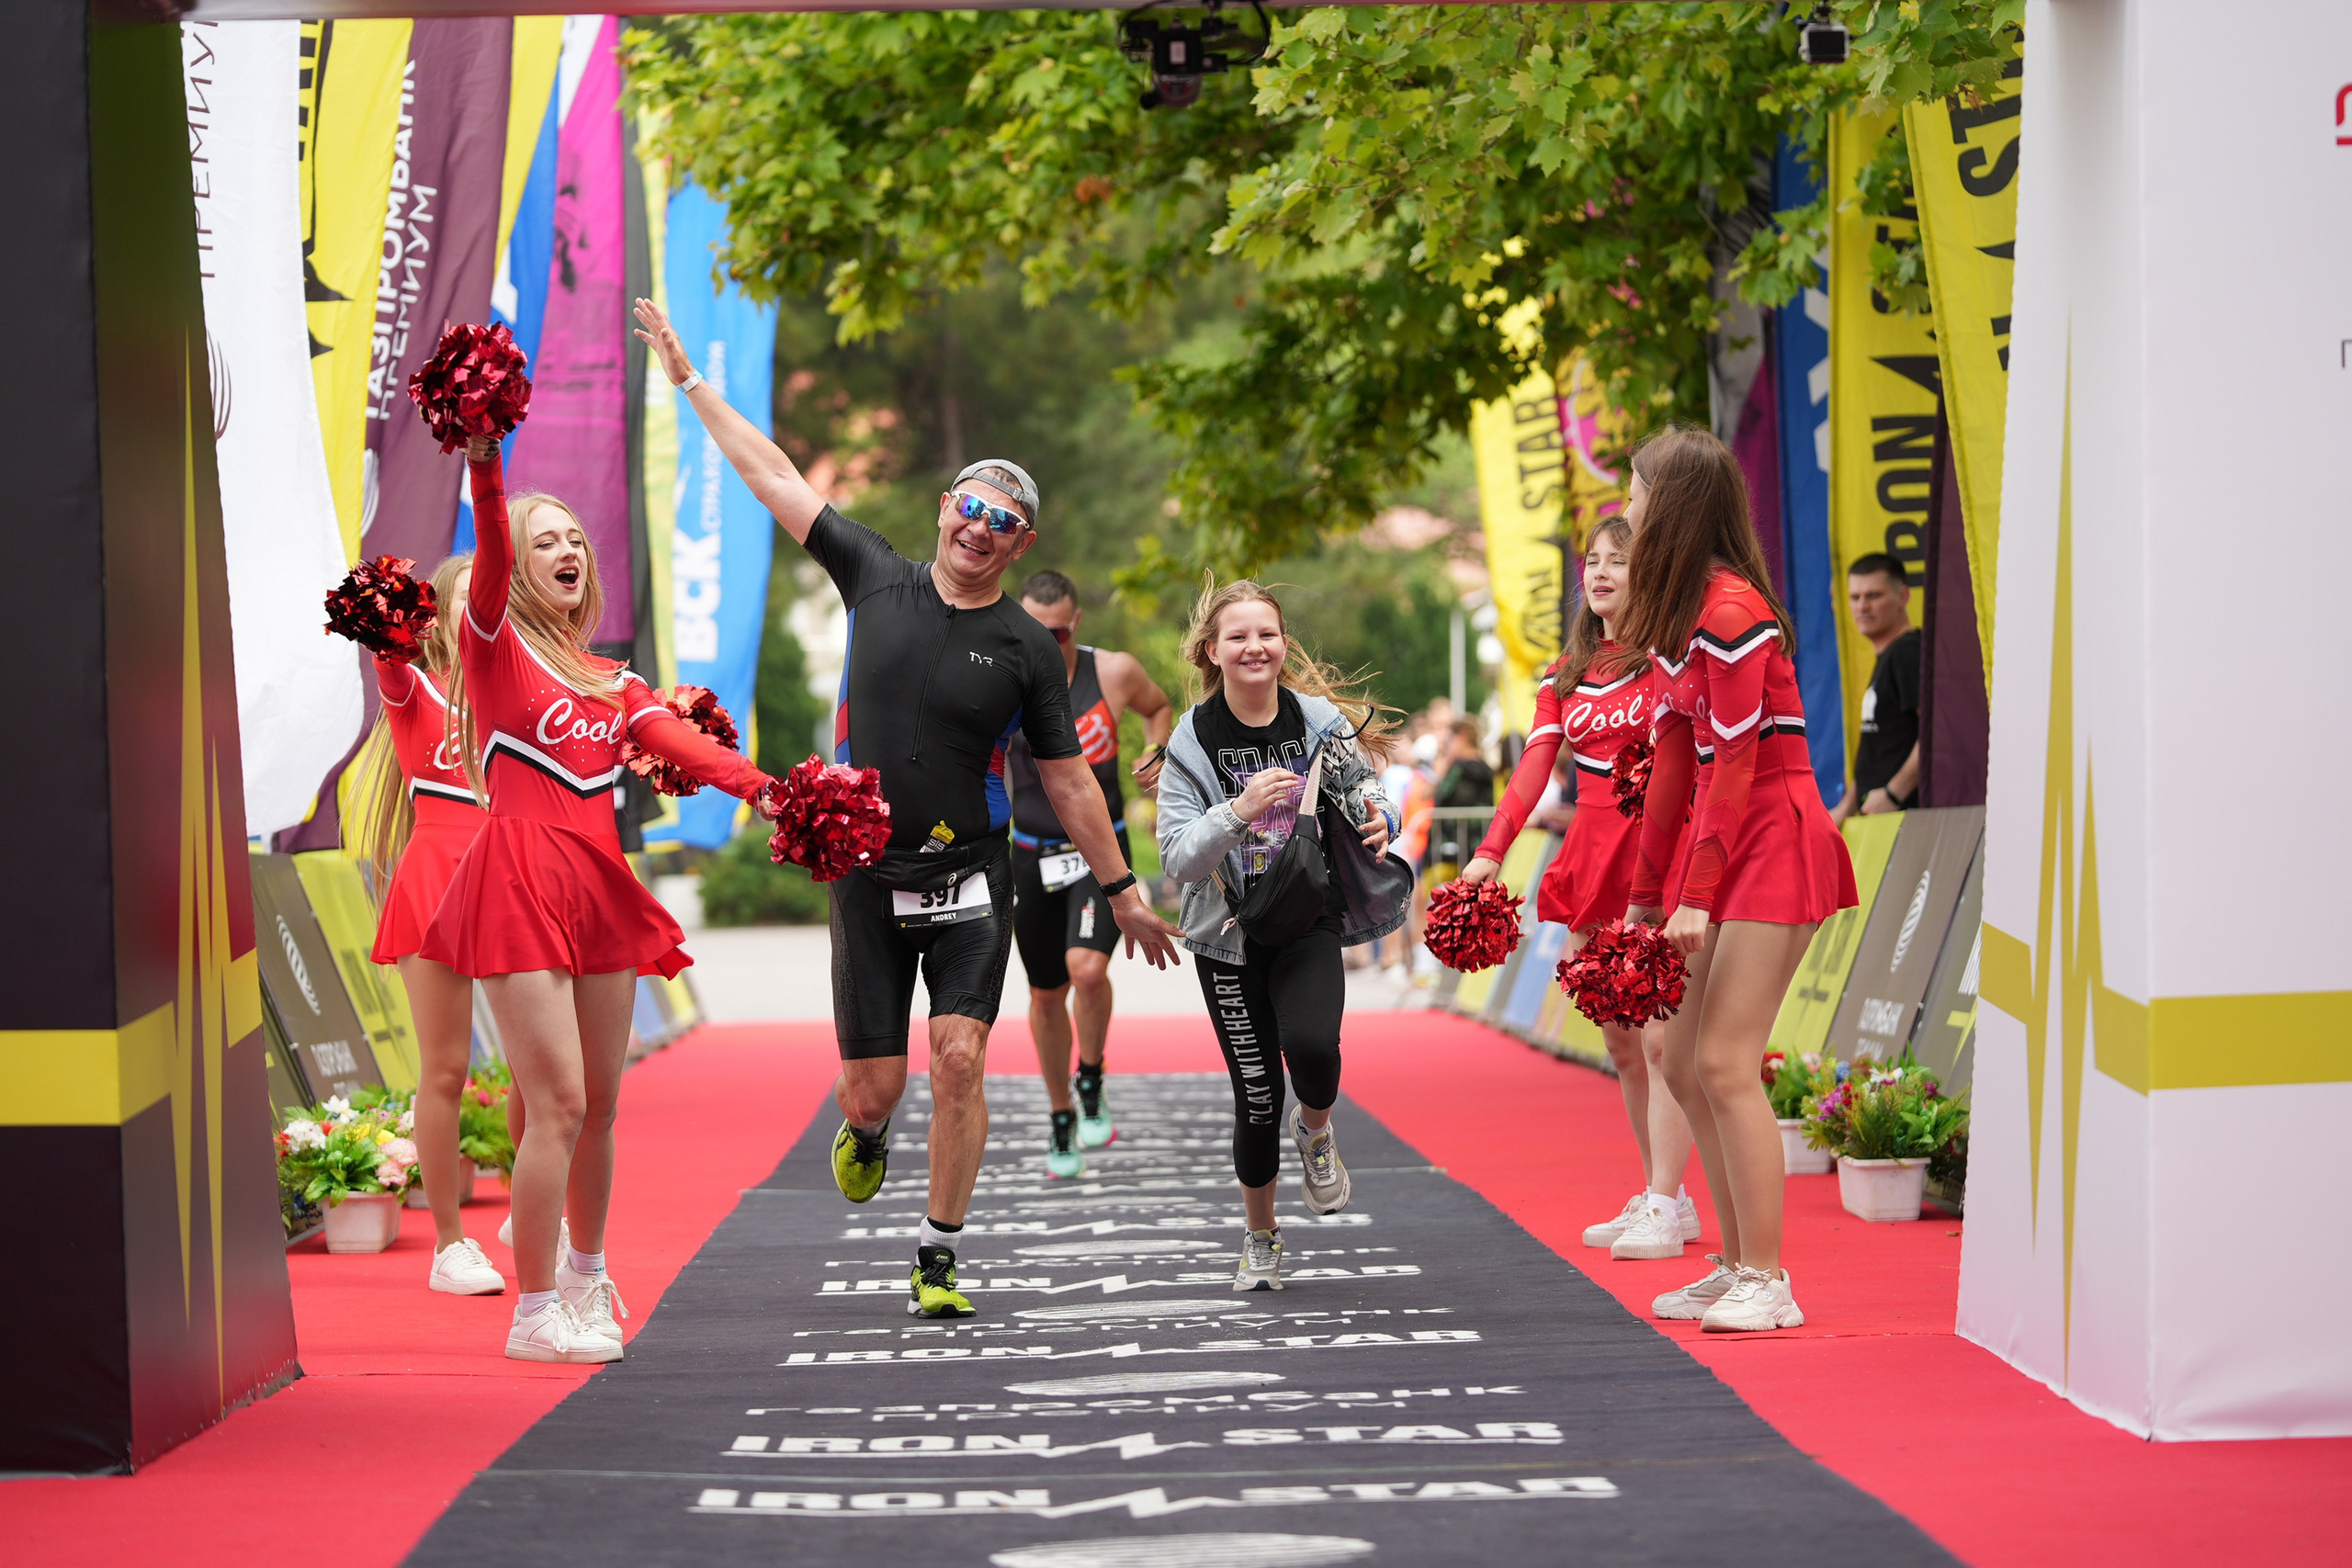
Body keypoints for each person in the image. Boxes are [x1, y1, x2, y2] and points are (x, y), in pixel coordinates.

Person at [633, 296, 1180, 1323]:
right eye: (970, 509)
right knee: (871, 1090)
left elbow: (1066, 779)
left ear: (1022, 546)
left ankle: (938, 1253)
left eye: (1003, 523)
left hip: (974, 876)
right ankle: (872, 1134)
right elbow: (773, 476)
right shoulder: (873, 576)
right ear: (942, 509)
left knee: (962, 1056)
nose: (980, 529)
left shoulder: (1026, 647)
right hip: (869, 879)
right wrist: (689, 381)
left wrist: (1124, 888)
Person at [424, 435, 785, 1364]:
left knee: (602, 1109)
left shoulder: (616, 681)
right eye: (544, 540)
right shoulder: (492, 645)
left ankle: (586, 1275)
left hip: (597, 885)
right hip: (517, 880)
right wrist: (484, 461)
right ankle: (533, 1311)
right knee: (557, 1104)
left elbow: (690, 750)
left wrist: (778, 792)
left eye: (575, 538)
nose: (565, 550)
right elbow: (493, 558)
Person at [1615, 426, 1857, 1334]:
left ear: (1669, 502)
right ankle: (1731, 1264)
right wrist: (1646, 894)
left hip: (1776, 833)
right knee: (1677, 1059)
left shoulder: (1727, 610)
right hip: (1724, 844)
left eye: (1636, 491)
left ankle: (1769, 1277)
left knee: (1722, 1059)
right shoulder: (1674, 616)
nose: (1626, 508)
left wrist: (1697, 894)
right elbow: (1673, 764)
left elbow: (1736, 769)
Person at [1459, 517, 1699, 1262]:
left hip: (1661, 854)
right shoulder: (1565, 674)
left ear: (1647, 571)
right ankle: (1668, 1197)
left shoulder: (1671, 660)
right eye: (1591, 561)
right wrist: (1491, 853)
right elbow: (1534, 767)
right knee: (1623, 1044)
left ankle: (1663, 1200)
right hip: (1592, 859)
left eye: (1617, 562)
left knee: (1662, 1039)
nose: (1598, 572)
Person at [1156, 580, 1405, 1293]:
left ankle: (1317, 1130)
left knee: (1316, 1050)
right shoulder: (1192, 739)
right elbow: (1176, 855)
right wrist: (1238, 809)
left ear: (1283, 643)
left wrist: (1378, 816)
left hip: (1306, 915)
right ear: (1214, 651)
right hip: (1230, 933)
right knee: (1257, 1092)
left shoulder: (1317, 720)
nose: (1253, 646)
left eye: (1266, 633)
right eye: (1237, 636)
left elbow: (1366, 790)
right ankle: (1261, 1236)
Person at [352, 553, 507, 1297]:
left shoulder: (520, 689)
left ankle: (541, 1209)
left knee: (551, 1071)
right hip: (437, 882)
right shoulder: (414, 684)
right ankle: (449, 1243)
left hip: (512, 880)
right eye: (472, 591)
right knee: (445, 1068)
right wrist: (383, 602)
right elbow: (384, 644)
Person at [1005, 570, 1175, 1178]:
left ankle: (1093, 1072)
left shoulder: (1114, 671)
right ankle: (1060, 1115)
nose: (1044, 642)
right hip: (1030, 852)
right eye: (1032, 630)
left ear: (1075, 623)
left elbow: (1159, 708)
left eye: (1056, 631)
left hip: (1100, 855)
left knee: (1088, 967)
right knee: (1046, 994)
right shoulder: (1002, 676)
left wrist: (1156, 753)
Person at [1831, 553, 1921, 822]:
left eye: (1873, 596)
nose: (1862, 607)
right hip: (1880, 819)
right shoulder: (1890, 655)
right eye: (1855, 597)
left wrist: (1894, 794)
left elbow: (1935, 733)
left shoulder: (1908, 652)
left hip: (1908, 821)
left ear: (1903, 597)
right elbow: (1877, 750)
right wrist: (1846, 807)